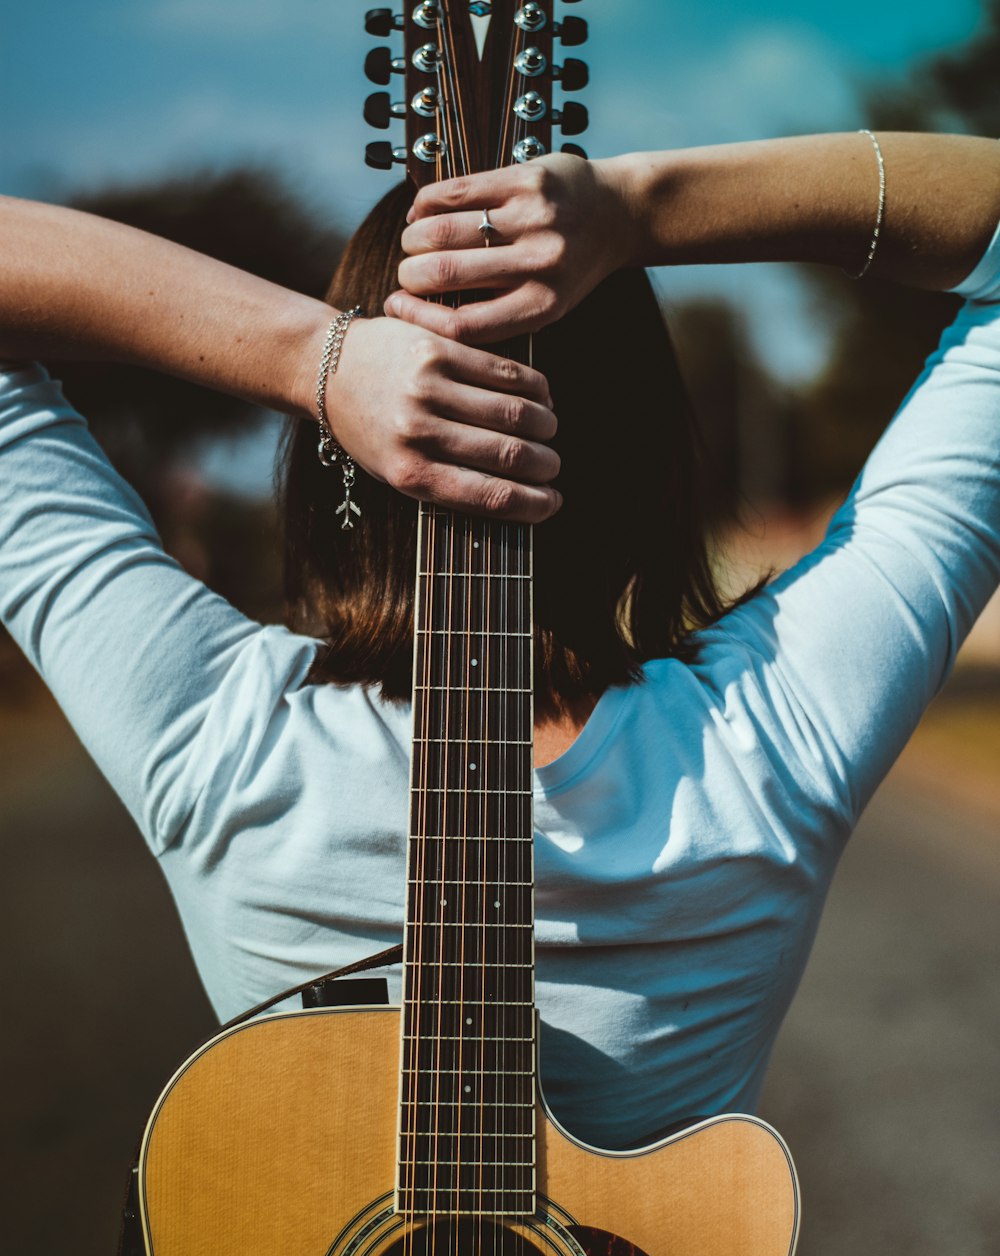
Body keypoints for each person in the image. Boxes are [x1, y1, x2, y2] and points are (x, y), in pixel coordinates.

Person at [1, 133, 999, 1153]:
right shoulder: (775, 735)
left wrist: (315, 357)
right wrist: (636, 212)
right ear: (654, 449)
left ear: (335, 461)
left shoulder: (217, 737)